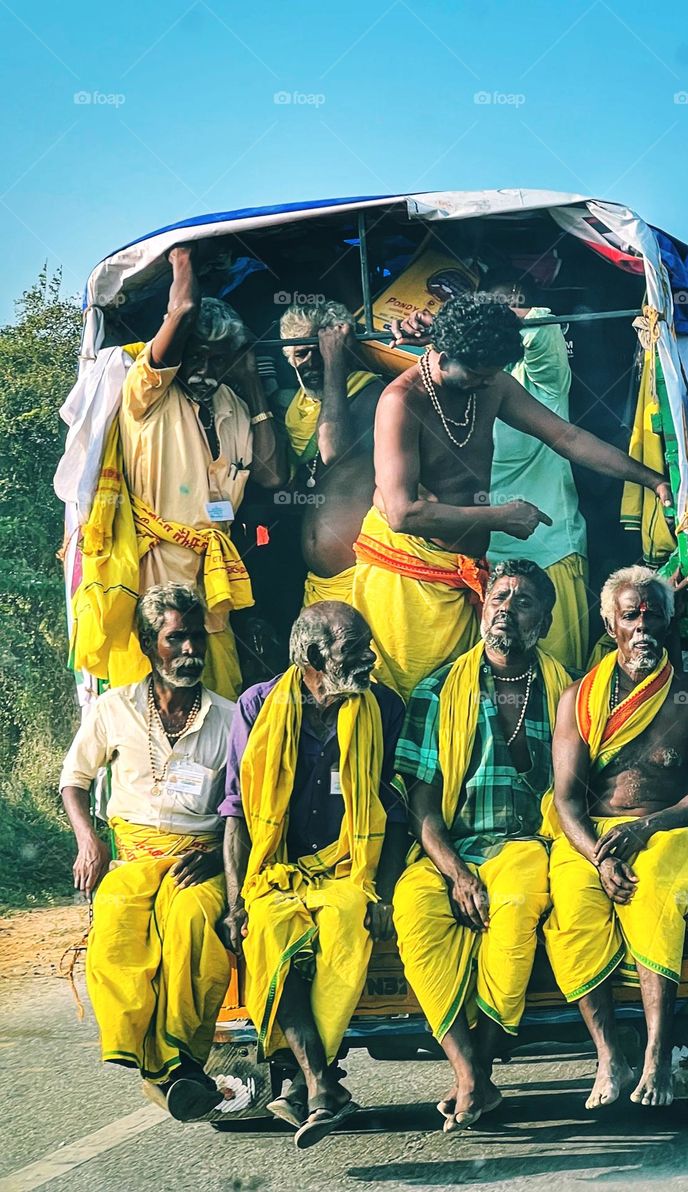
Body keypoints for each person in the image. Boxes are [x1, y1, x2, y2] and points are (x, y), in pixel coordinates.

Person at [353, 293, 672, 699]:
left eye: (492, 375)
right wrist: (500, 518)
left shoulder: (491, 383)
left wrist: (649, 478)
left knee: (463, 700)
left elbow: (567, 437)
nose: (486, 383)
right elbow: (401, 513)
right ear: (444, 351)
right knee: (415, 698)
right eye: (477, 374)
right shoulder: (401, 401)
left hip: (465, 576)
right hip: (406, 575)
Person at [392, 560, 571, 1132]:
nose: (505, 609)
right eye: (498, 596)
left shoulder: (566, 691)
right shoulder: (439, 688)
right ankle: (473, 1075)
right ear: (482, 606)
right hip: (450, 848)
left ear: (542, 622)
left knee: (516, 907)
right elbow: (420, 803)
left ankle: (475, 1073)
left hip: (527, 844)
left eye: (522, 603)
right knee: (414, 911)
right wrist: (456, 874)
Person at [220, 602, 407, 1149]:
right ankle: (322, 1082)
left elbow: (393, 809)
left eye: (368, 645)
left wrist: (386, 892)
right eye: (354, 648)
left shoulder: (384, 707)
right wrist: (236, 903)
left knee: (348, 923)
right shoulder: (258, 706)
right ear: (312, 655)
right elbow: (235, 811)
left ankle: (309, 1085)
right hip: (278, 868)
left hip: (352, 867)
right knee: (269, 933)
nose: (370, 657)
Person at [543, 566, 688, 1109]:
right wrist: (599, 858)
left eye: (653, 616)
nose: (642, 626)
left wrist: (647, 827)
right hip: (591, 839)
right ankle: (609, 1058)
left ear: (669, 624)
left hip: (666, 827)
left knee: (654, 896)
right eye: (631, 616)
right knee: (572, 908)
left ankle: (656, 1056)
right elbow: (566, 801)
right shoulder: (578, 699)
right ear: (609, 623)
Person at [59, 583, 234, 1120]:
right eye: (175, 639)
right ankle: (151, 1060)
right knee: (115, 918)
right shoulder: (114, 709)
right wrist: (88, 839)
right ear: (147, 644)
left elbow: (243, 804)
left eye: (196, 639)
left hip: (198, 859)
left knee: (192, 926)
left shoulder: (230, 717)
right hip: (134, 857)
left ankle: (177, 1061)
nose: (190, 651)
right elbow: (75, 779)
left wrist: (216, 857)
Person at [119, 244, 284, 698]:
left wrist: (252, 385)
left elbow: (271, 477)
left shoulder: (231, 403)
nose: (206, 369)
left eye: (218, 359)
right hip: (155, 581)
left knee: (220, 700)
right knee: (157, 699)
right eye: (197, 355)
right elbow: (184, 309)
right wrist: (183, 256)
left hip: (213, 591)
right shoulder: (147, 393)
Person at [484, 270, 590, 672]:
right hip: (482, 568)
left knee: (556, 684)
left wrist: (487, 315)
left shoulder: (542, 380)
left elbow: (540, 325)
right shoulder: (468, 382)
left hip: (550, 558)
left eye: (508, 306)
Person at [278, 300, 385, 606]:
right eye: (301, 353)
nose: (311, 363)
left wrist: (335, 363)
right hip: (319, 586)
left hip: (362, 578)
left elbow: (334, 449)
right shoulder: (298, 410)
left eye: (320, 351)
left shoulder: (372, 395)